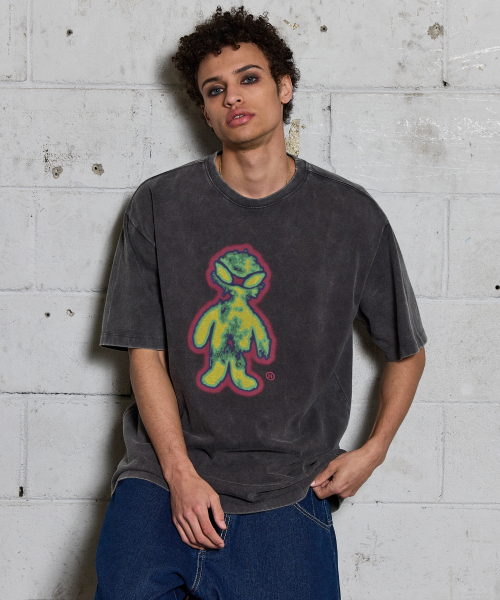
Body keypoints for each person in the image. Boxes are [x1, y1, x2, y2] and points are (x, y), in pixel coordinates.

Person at [93, 6, 427, 600]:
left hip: (287, 492)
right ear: (204, 110)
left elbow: (407, 351)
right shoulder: (160, 205)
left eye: (249, 78)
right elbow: (146, 353)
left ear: (284, 86)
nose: (233, 97)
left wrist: (373, 452)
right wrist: (179, 474)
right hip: (162, 482)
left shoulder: (350, 217)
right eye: (214, 89)